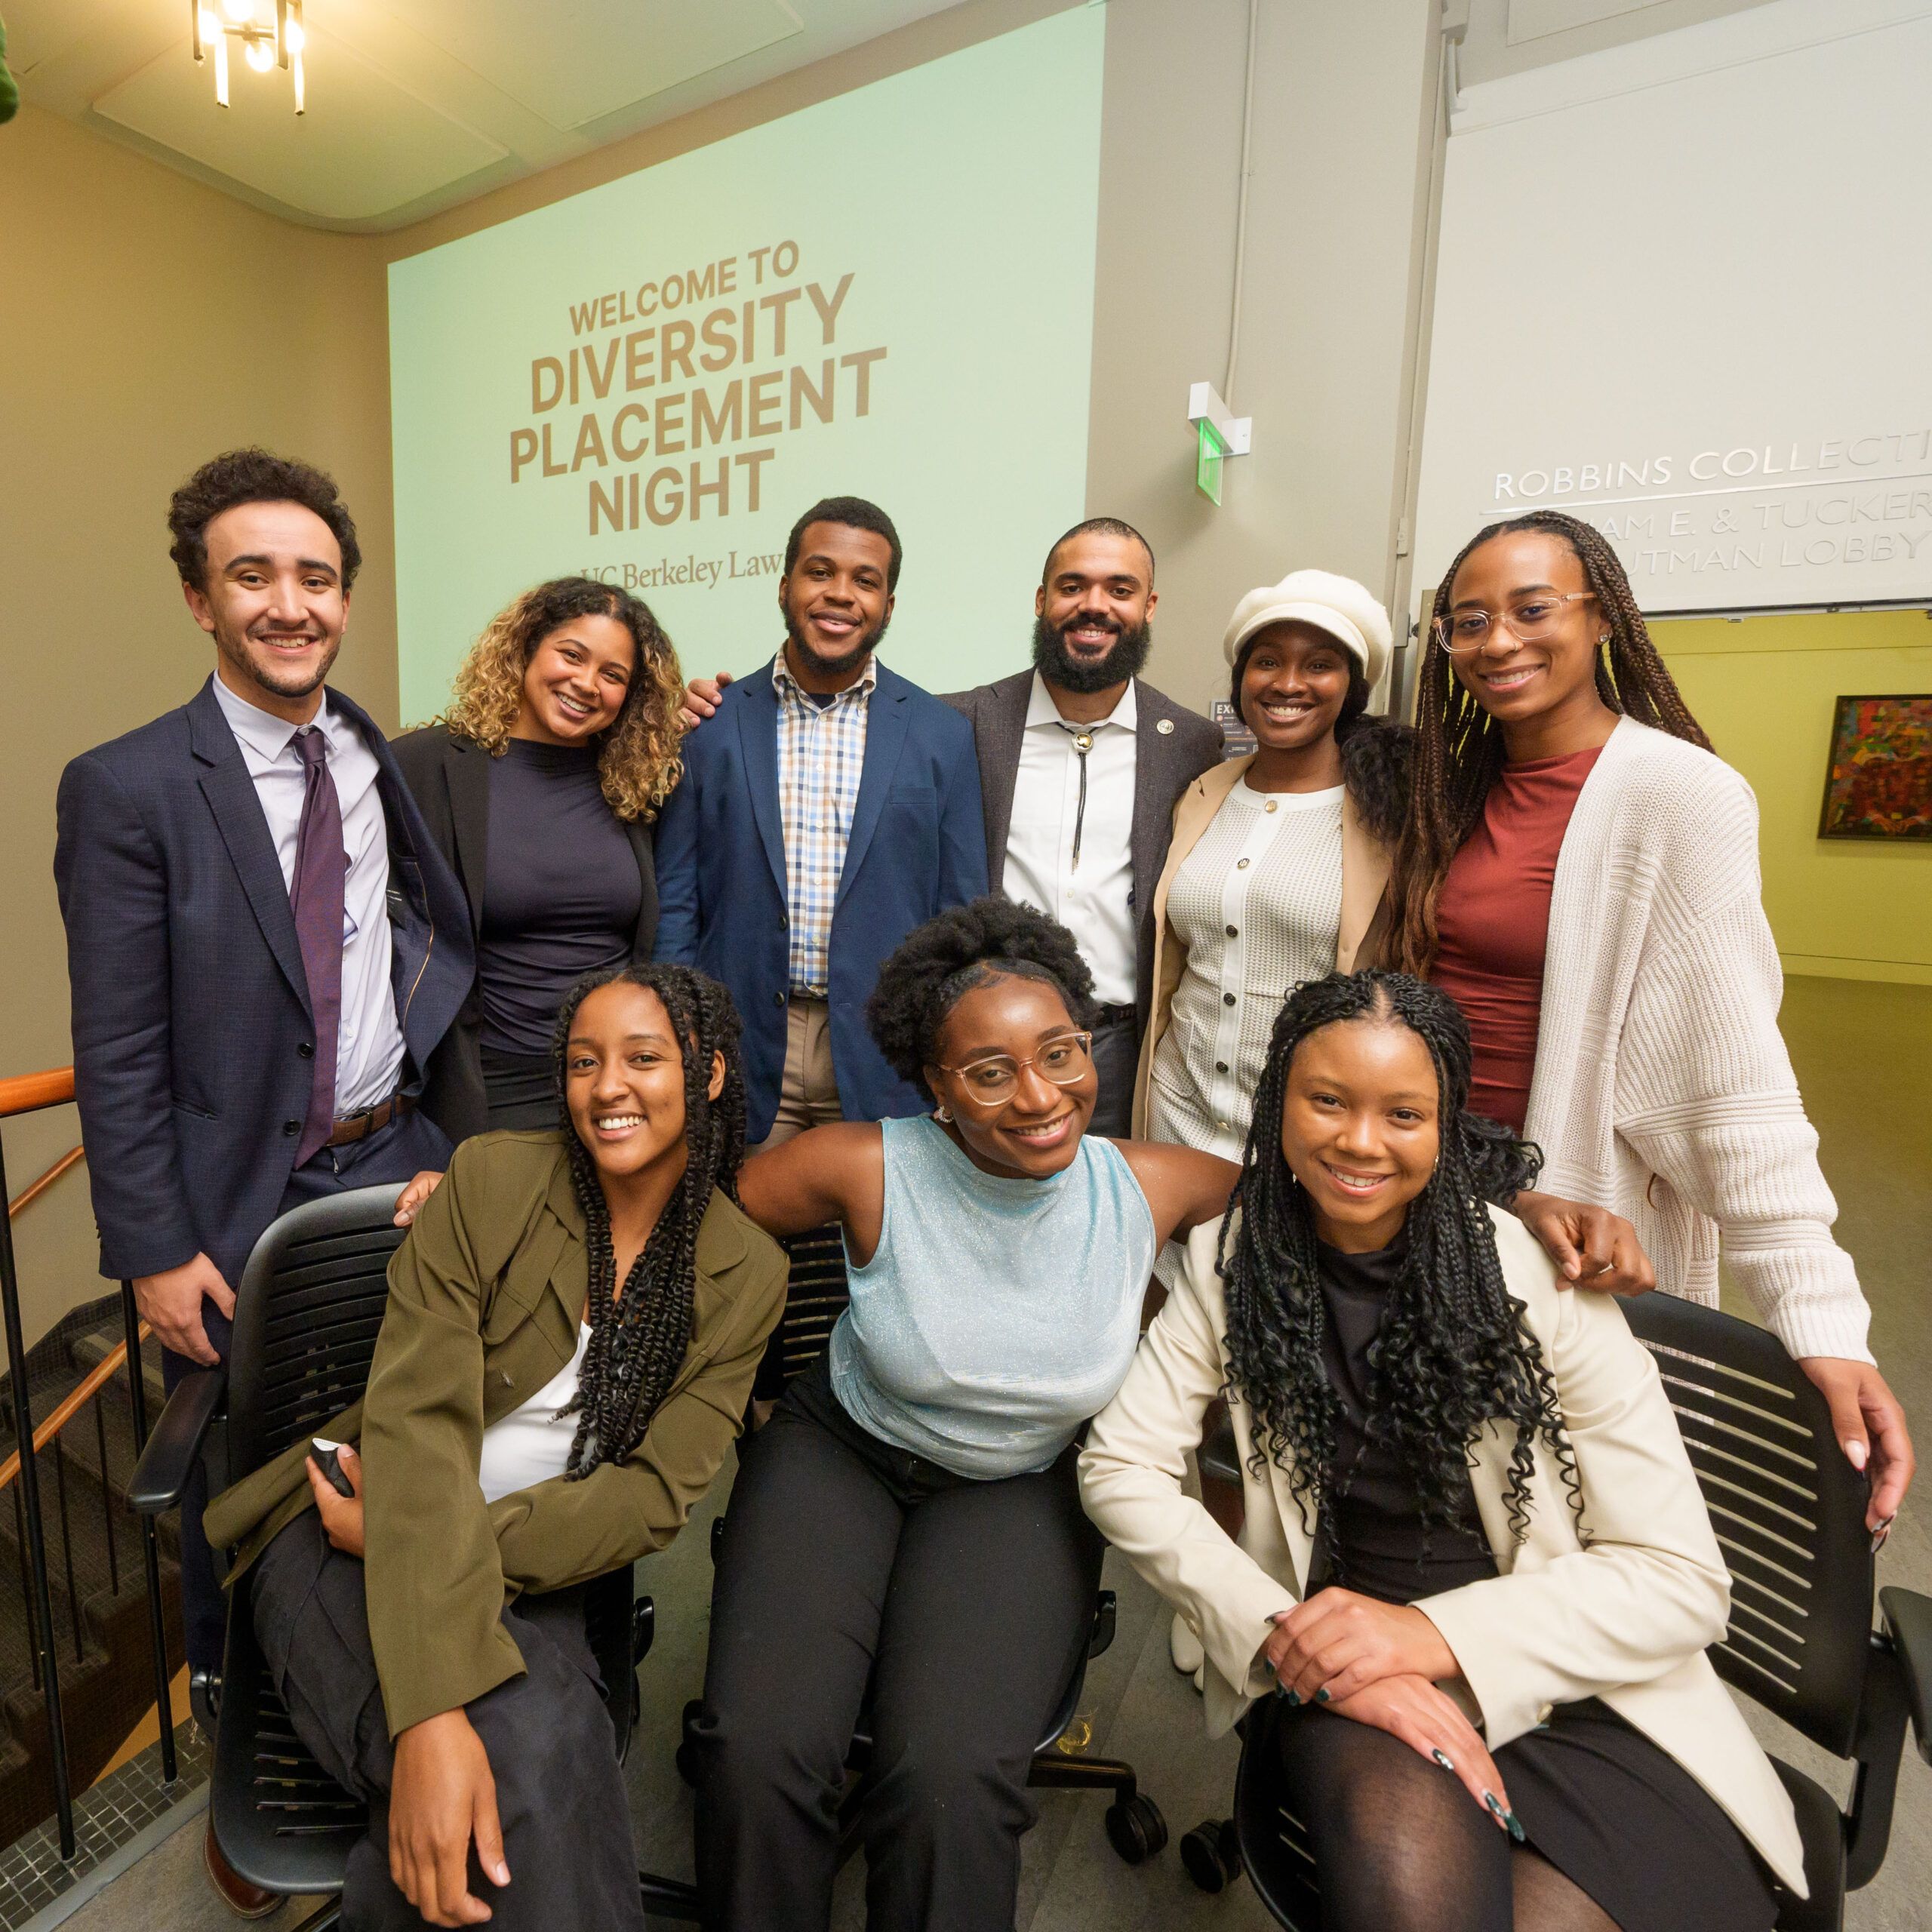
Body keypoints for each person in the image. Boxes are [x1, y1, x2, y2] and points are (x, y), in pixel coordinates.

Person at [1081, 971, 1805, 1932]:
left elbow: (1681, 1580)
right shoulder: (1235, 1259)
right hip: (1355, 1672)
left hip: (1574, 1672)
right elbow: (1118, 1466)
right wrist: (1282, 1629)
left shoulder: (1540, 1282)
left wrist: (1433, 1636)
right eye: (1326, 1100)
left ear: (1446, 1122)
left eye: (1403, 1112)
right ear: (1277, 1104)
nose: (1359, 1141)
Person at [53, 449, 472, 1915]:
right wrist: (152, 1246)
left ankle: (413, 1705)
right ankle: (250, 1733)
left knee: (406, 1456)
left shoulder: (380, 755)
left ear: (343, 595)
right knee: (234, 1498)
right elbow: (114, 1044)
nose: (289, 604)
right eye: (253, 574)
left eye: (314, 576)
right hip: (233, 1205)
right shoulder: (122, 787)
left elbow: (434, 918)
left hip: (398, 1161)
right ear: (198, 596)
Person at [202, 963, 788, 1932]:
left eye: (644, 1059)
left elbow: (650, 1497)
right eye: (584, 1061)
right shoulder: (492, 1179)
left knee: (528, 1756)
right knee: (544, 1741)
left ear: (710, 1073)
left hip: (465, 1552)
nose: (608, 1085)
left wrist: (413, 1539)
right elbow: (416, 1419)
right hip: (331, 1532)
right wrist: (432, 1716)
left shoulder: (744, 1272)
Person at [691, 897, 1240, 1931]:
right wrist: (492, 1193)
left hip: (1019, 1485)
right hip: (841, 1453)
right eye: (990, 1072)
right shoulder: (862, 1165)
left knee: (946, 1779)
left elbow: (1331, 1199)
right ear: (936, 1088)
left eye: (1061, 1054)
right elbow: (681, 1223)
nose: (1039, 1097)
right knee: (754, 1753)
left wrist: (1530, 1211)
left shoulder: (1145, 1186)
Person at [1390, 509, 1912, 1535]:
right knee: (1419, 1482)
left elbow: (1736, 1076)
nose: (1498, 641)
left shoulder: (1680, 794)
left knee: (1553, 1513)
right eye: (1468, 620)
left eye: (1533, 610)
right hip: (1416, 1189)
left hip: (1561, 1217)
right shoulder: (1449, 781)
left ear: (1603, 621)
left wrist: (1820, 1318)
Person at [653, 495, 987, 1151]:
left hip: (885, 1061)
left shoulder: (942, 735)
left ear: (889, 605)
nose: (841, 595)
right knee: (738, 1241)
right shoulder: (710, 728)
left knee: (875, 1250)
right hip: (739, 1051)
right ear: (785, 587)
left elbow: (961, 914)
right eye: (820, 572)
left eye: (866, 581)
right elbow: (677, 903)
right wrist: (681, 1030)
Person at [939, 518, 1224, 1134]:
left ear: (1148, 608)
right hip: (984, 1037)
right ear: (1042, 601)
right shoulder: (960, 724)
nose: (1094, 606)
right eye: (1073, 586)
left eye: (1119, 590)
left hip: (1115, 1047)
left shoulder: (1192, 745)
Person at [393, 577, 686, 1137]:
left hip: (616, 1089)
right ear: (526, 647)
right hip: (488, 1089)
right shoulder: (426, 767)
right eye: (571, 655)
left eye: (613, 675)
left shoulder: (642, 783)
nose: (586, 683)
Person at [1134, 568, 1407, 1163]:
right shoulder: (1202, 793)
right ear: (1241, 679)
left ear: (1351, 687)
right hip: (1176, 1114)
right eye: (1267, 661)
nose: (1288, 683)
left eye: (1319, 665)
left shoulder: (1391, 815)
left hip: (1305, 1136)